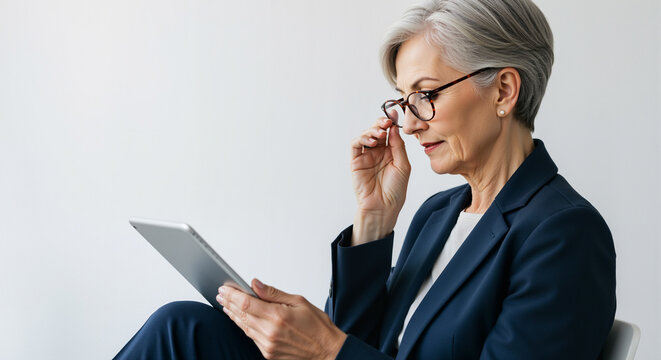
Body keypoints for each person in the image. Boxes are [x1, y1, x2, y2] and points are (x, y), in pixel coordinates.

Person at [114, 0, 616, 359]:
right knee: (180, 326)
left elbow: (340, 350)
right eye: (402, 100)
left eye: (425, 94)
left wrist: (327, 350)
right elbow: (363, 341)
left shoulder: (564, 234)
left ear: (504, 90)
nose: (410, 121)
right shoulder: (438, 214)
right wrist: (374, 221)